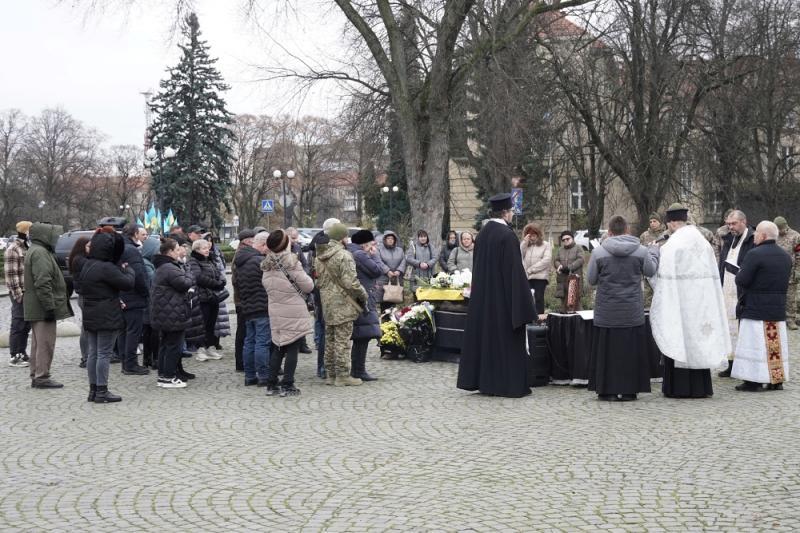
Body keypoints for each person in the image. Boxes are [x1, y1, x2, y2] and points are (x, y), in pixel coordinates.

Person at [457, 193, 536, 398]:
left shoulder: (483, 234)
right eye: (511, 211)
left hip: (484, 299)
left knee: (487, 341)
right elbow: (514, 272)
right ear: (506, 212)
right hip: (503, 300)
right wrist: (523, 303)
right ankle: (506, 384)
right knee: (505, 342)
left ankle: (487, 382)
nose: (512, 215)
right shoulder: (507, 235)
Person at [650, 203, 731, 399]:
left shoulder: (673, 245)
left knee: (680, 338)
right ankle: (701, 387)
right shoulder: (703, 242)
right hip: (702, 304)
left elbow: (660, 278)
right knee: (699, 342)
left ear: (671, 223)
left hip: (680, 305)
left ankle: (679, 388)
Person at [586, 216, 659, 401]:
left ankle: (607, 391)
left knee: (608, 353)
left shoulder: (599, 252)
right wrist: (654, 252)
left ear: (609, 232)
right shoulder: (641, 250)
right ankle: (629, 391)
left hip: (607, 311)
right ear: (627, 230)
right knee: (630, 352)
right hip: (631, 311)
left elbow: (591, 279)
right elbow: (651, 271)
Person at [731, 221, 792, 392]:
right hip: (777, 308)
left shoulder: (754, 254)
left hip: (756, 308)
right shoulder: (785, 255)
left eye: (756, 233)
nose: (754, 236)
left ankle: (753, 381)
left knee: (755, 345)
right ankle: (776, 381)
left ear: (764, 235)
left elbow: (742, 280)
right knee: (775, 346)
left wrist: (739, 273)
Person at [79, 230, 135, 403]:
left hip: (91, 311)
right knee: (103, 353)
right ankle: (102, 391)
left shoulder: (88, 264)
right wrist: (128, 269)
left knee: (93, 352)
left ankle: (93, 390)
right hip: (107, 313)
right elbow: (128, 283)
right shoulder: (106, 267)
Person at [261, 229, 314, 396]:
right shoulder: (292, 262)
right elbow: (308, 286)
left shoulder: (267, 264)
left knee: (278, 347)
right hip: (293, 310)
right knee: (292, 347)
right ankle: (288, 384)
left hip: (275, 310)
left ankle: (271, 384)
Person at [315, 223, 369, 387]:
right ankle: (343, 375)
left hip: (327, 304)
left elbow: (318, 282)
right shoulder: (344, 255)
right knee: (343, 342)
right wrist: (363, 294)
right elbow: (350, 282)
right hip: (343, 304)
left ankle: (330, 375)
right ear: (342, 237)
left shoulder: (320, 255)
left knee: (330, 341)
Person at [23, 222, 74, 389]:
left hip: (37, 306)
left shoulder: (38, 250)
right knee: (45, 344)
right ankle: (42, 377)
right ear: (45, 236)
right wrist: (49, 307)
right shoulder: (40, 253)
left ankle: (37, 375)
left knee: (38, 344)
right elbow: (43, 282)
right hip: (42, 307)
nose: (56, 239)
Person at [150, 238, 195, 388]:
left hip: (166, 312)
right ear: (169, 252)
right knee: (173, 346)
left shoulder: (163, 267)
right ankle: (168, 377)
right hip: (172, 313)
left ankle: (163, 376)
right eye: (176, 250)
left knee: (166, 344)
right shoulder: (170, 268)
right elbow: (185, 283)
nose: (179, 252)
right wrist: (189, 272)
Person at [718, 210, 756, 377]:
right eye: (728, 224)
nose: (730, 227)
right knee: (728, 327)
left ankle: (744, 364)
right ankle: (731, 363)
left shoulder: (752, 239)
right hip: (727, 289)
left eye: (733, 224)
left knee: (742, 328)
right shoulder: (728, 239)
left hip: (742, 290)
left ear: (743, 222)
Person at [234, 230, 271, 387]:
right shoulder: (259, 261)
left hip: (247, 305)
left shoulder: (241, 260)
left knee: (249, 341)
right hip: (262, 305)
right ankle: (263, 376)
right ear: (263, 244)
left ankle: (249, 376)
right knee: (262, 342)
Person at [347, 229, 384, 381]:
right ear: (365, 244)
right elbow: (378, 270)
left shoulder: (351, 252)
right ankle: (358, 370)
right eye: (371, 244)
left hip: (358, 297)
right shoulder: (360, 254)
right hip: (364, 298)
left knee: (360, 335)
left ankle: (357, 369)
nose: (373, 247)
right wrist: (375, 255)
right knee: (363, 336)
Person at [309, 218, 341, 378]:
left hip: (320, 293)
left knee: (324, 331)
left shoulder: (316, 244)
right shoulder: (327, 246)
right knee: (326, 332)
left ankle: (324, 366)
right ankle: (325, 366)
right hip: (328, 294)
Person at [118, 224, 151, 375]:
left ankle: (125, 363)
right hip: (133, 296)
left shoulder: (120, 247)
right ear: (136, 234)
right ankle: (131, 364)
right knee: (133, 332)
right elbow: (138, 274)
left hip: (123, 294)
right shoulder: (131, 250)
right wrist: (145, 292)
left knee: (124, 331)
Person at [187, 238, 227, 361]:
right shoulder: (193, 261)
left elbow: (217, 273)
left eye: (207, 248)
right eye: (204, 248)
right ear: (197, 250)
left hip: (213, 297)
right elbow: (198, 277)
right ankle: (200, 349)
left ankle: (210, 347)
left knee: (211, 324)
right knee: (201, 325)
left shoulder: (209, 260)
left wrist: (221, 281)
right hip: (202, 298)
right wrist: (216, 284)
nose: (207, 250)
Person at [5, 221, 32, 368]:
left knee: (26, 324)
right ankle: (14, 356)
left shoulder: (27, 246)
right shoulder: (13, 249)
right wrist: (18, 295)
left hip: (28, 292)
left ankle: (22, 352)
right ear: (25, 231)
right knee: (18, 323)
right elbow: (11, 275)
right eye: (30, 230)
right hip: (19, 292)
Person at [231, 229, 256, 373]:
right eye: (253, 238)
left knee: (243, 332)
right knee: (242, 332)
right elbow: (236, 279)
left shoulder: (242, 253)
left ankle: (241, 363)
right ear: (247, 240)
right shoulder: (242, 255)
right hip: (242, 299)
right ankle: (240, 362)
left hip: (241, 298)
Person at [287, 226, 312, 353]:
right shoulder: (282, 250)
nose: (296, 240)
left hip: (300, 287)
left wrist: (304, 275)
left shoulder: (297, 248)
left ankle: (303, 344)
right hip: (288, 288)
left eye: (296, 238)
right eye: (293, 238)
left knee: (302, 317)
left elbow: (305, 264)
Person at [67, 236, 91, 368]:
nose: (91, 248)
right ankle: (86, 356)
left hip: (83, 295)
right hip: (85, 295)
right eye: (88, 246)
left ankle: (87, 355)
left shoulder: (79, 259)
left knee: (86, 327)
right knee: (86, 328)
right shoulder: (81, 260)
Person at [774, 216, 800, 330]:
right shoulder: (773, 235)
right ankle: (778, 318)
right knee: (775, 295)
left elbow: (799, 255)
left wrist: (798, 271)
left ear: (786, 226)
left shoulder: (796, 236)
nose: (780, 231)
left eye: (781, 229)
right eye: (777, 229)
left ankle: (790, 319)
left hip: (790, 272)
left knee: (790, 297)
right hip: (775, 272)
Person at [520, 223, 552, 316]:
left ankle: (539, 318)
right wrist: (524, 242)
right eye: (529, 235)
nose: (532, 237)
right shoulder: (526, 245)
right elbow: (520, 255)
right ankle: (529, 317)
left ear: (538, 235)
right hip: (527, 277)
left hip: (540, 277)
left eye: (534, 235)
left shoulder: (545, 245)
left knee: (538, 298)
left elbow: (546, 260)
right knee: (528, 298)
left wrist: (531, 270)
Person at [140, 236, 160, 370]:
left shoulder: (148, 263)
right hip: (149, 303)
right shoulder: (147, 265)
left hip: (149, 303)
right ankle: (152, 359)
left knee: (149, 331)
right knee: (152, 332)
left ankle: (148, 359)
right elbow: (152, 283)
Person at [553, 231, 584, 312]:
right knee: (563, 304)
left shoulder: (578, 248)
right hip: (562, 280)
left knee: (575, 303)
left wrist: (569, 267)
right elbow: (556, 260)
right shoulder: (560, 250)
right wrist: (559, 266)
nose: (565, 241)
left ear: (572, 238)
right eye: (563, 240)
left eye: (568, 239)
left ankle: (578, 319)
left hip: (574, 279)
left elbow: (581, 260)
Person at [377, 230, 406, 311]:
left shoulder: (400, 250)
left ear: (395, 240)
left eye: (392, 238)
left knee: (394, 299)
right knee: (385, 301)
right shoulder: (379, 250)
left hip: (396, 278)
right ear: (385, 240)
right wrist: (387, 271)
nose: (390, 240)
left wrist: (399, 270)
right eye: (388, 238)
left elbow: (404, 261)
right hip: (384, 278)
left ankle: (392, 317)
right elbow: (378, 261)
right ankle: (385, 317)